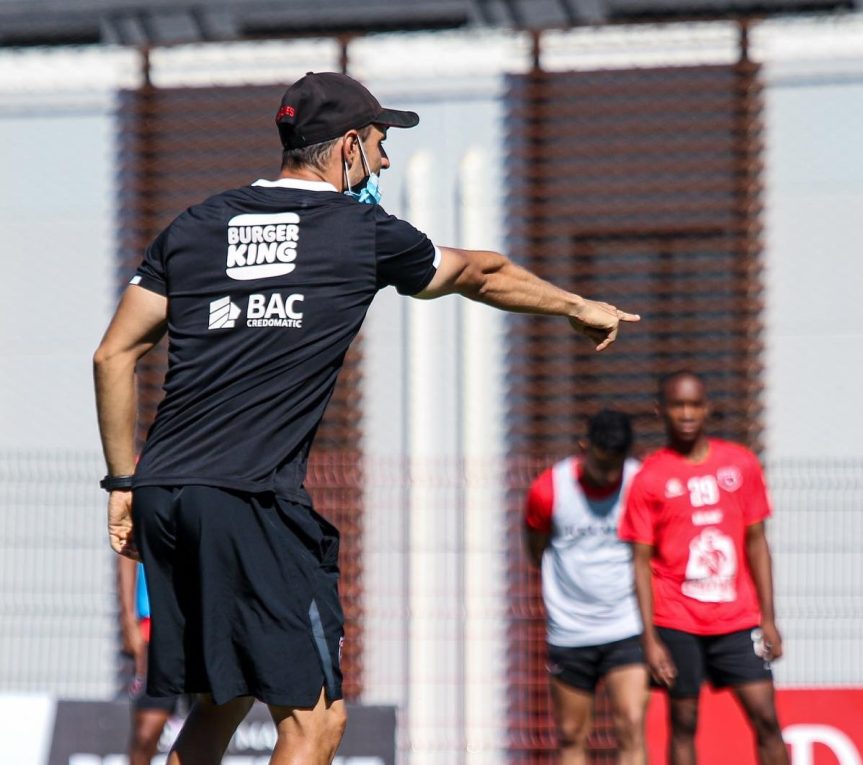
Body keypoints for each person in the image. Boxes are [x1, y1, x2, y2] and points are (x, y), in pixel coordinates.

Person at [93, 70, 639, 765]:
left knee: (222, 701)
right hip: (250, 497)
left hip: (169, 494)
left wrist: (122, 485)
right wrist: (575, 305)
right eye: (380, 144)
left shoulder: (196, 225)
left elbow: (113, 355)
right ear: (348, 145)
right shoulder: (357, 230)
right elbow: (479, 272)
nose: (383, 161)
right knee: (316, 725)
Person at [618, 371, 788, 765]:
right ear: (663, 411)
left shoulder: (740, 464)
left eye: (694, 404)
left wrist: (769, 618)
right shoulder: (650, 477)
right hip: (677, 620)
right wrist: (650, 639)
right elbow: (640, 562)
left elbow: (756, 542)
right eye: (678, 405)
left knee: (766, 717)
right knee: (684, 721)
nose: (687, 413)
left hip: (737, 619)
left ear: (707, 408)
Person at [524, 409, 649, 765]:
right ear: (585, 447)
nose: (608, 473)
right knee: (571, 734)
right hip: (571, 630)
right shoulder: (549, 489)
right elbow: (536, 548)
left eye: (616, 465)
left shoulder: (639, 483)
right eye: (601, 462)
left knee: (631, 724)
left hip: (627, 625)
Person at [117, 557, 187, 765]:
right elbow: (125, 553)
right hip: (155, 628)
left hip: (204, 626)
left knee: (211, 726)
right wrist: (128, 620)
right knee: (146, 733)